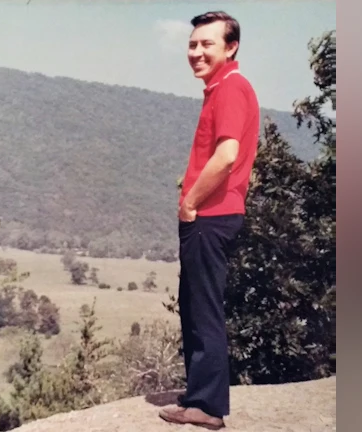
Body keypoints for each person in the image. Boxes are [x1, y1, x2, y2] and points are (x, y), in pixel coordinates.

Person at [158, 11, 260, 430]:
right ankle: (199, 396)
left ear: (231, 47)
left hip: (210, 216)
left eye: (207, 44)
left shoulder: (231, 88)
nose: (196, 52)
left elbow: (228, 155)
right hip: (216, 213)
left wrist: (191, 202)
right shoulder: (222, 88)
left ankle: (207, 406)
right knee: (196, 306)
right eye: (193, 44)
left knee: (203, 310)